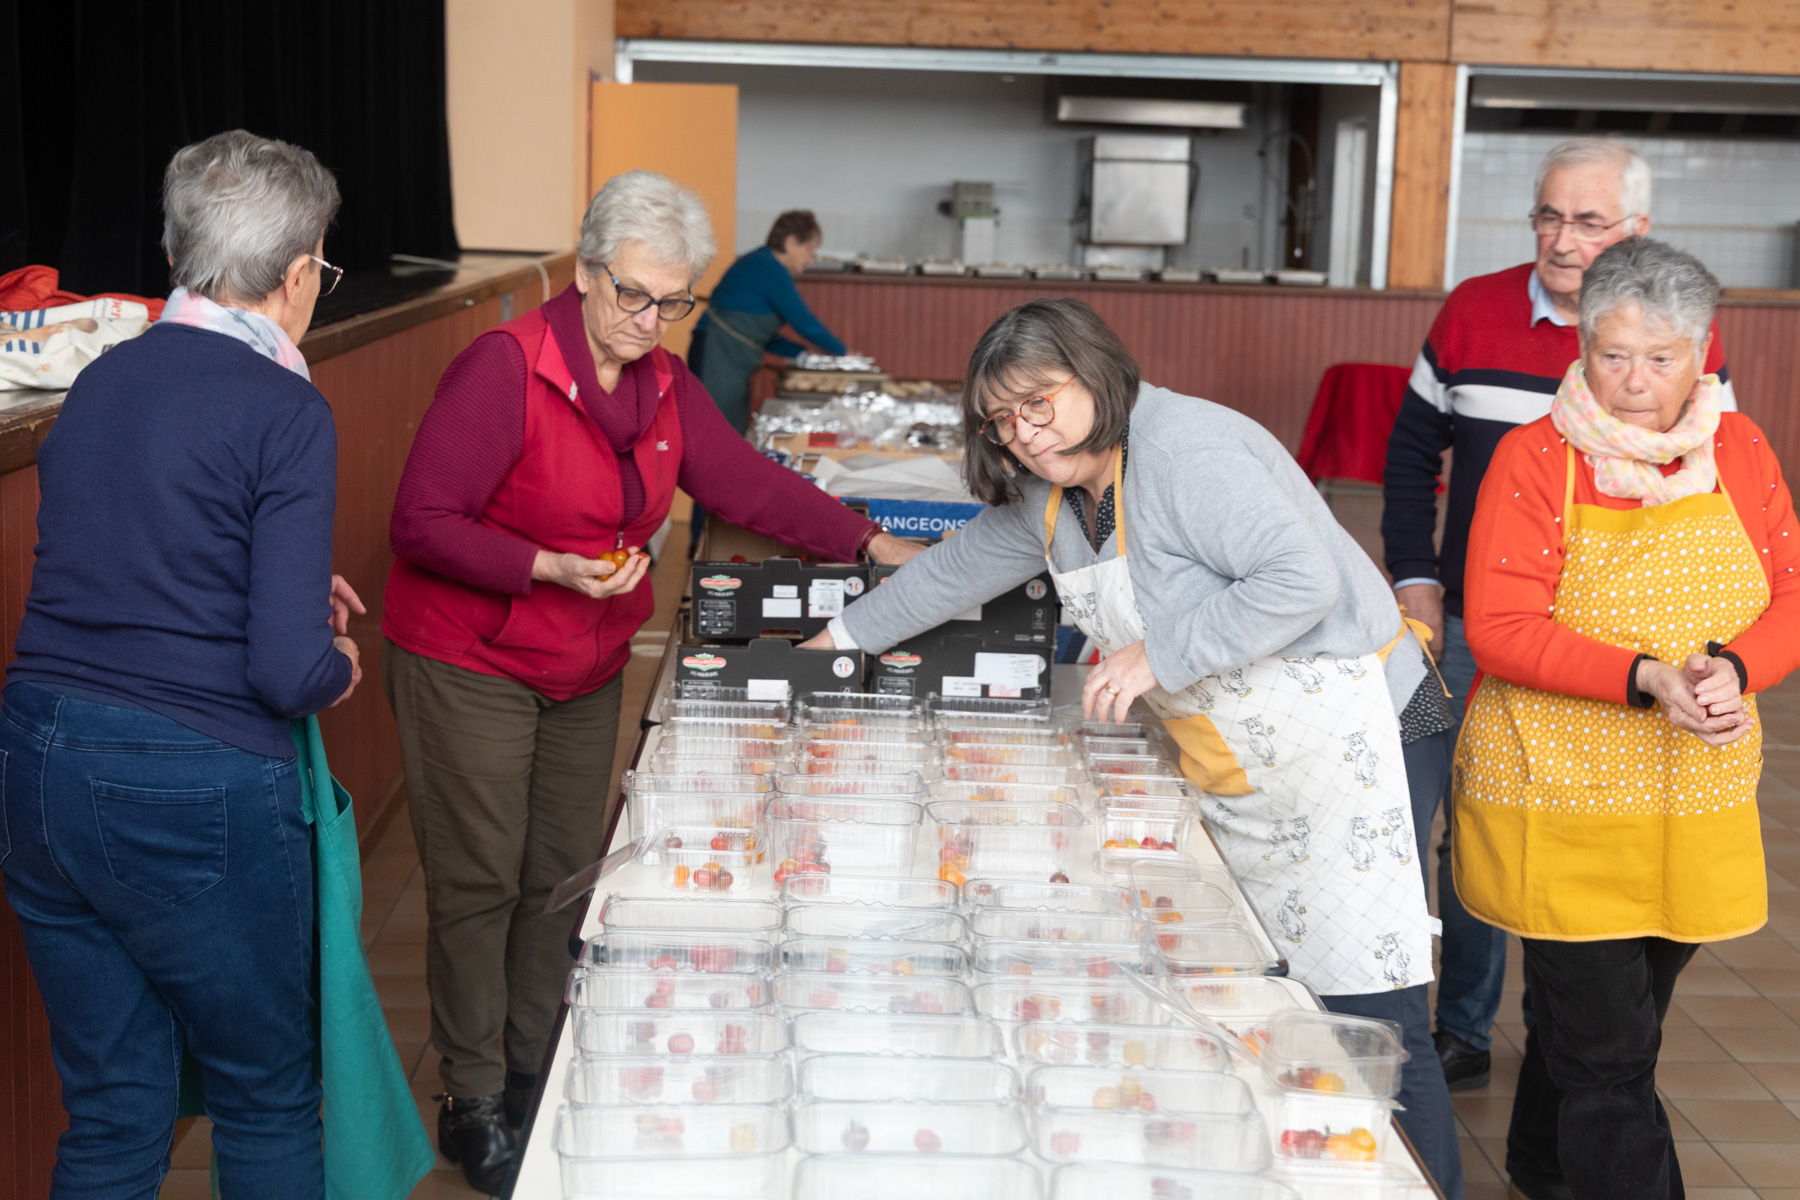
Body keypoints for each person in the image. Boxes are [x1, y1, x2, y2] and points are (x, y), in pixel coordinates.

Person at [807, 297, 1463, 1199]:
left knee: (1367, 1021)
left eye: (1039, 402)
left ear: (1097, 373)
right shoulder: (1055, 490)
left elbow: (1299, 580)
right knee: (1280, 1000)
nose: (1024, 433)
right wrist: (835, 644)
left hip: (1361, 737)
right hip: (1249, 758)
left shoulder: (1186, 452)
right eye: (1002, 420)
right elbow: (956, 570)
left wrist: (1158, 654)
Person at [381, 170, 922, 1192]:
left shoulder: (664, 380)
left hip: (584, 664)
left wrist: (865, 541)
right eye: (633, 293)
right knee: (480, 879)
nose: (650, 318)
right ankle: (473, 1094)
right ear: (586, 272)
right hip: (472, 657)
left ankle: (535, 1066)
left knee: (559, 876)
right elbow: (420, 522)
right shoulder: (505, 367)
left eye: (673, 301)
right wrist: (544, 565)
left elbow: (742, 480)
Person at [0, 130, 361, 1199]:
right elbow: (288, 673)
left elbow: (142, 551)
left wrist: (275, 585)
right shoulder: (284, 405)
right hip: (187, 782)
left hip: (37, 762)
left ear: (180, 253)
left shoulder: (103, 379)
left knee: (115, 1108)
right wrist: (336, 658)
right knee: (265, 1094)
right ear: (295, 275)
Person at [1380, 137, 1736, 1091]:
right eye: (1549, 216)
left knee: (1575, 832)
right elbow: (1410, 457)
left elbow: (1713, 484)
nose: (1563, 239)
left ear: (1637, 229)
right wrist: (1415, 579)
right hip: (1468, 626)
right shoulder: (1472, 310)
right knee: (1467, 823)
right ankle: (1462, 1029)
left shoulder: (1681, 335)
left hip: (1618, 647)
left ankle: (1558, 1044)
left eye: (1588, 221)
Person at [1454, 238, 1799, 1200]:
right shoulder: (1535, 458)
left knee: (1611, 1023)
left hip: (1694, 797)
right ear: (1582, 344)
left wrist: (1736, 668)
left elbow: (1789, 596)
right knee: (1612, 1058)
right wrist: (1644, 675)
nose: (1635, 382)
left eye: (1660, 358)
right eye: (1613, 355)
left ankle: (1541, 1168)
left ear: (1703, 352)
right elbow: (1500, 628)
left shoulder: (1741, 449)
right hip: (1558, 793)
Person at [688, 209, 847, 434]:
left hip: (726, 355)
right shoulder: (769, 268)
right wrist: (844, 353)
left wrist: (799, 352)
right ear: (791, 242)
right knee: (712, 431)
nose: (811, 259)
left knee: (728, 430)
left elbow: (755, 334)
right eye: (810, 249)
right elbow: (805, 323)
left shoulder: (762, 262)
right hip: (714, 353)